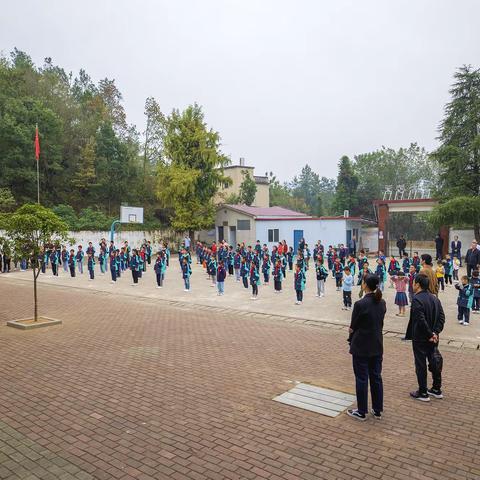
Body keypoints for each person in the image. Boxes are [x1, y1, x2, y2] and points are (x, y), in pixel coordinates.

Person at [347, 274, 385, 421]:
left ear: (365, 285)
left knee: (362, 378)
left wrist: (351, 335)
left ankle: (361, 410)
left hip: (361, 345)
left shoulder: (360, 304)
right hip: (376, 344)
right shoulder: (382, 302)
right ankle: (377, 410)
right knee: (376, 377)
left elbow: (353, 326)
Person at [405, 274, 445, 401]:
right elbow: (441, 318)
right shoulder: (435, 299)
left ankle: (423, 392)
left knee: (421, 364)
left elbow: (420, 320)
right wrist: (435, 333)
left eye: (414, 282)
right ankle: (436, 388)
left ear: (417, 284)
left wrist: (430, 334)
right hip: (433, 337)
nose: (412, 284)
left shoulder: (417, 299)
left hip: (421, 337)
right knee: (434, 360)